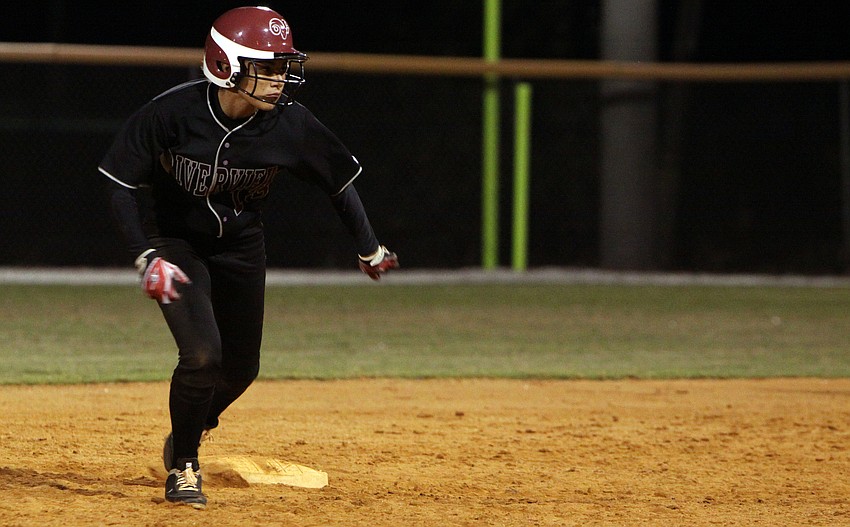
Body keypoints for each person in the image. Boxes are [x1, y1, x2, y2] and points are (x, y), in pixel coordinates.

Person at [99, 6, 398, 509]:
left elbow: (339, 184)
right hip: (177, 244)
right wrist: (145, 256)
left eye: (284, 67)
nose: (281, 78)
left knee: (241, 367)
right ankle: (186, 466)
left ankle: (188, 428)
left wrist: (369, 246)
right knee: (201, 355)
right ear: (226, 65)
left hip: (241, 246)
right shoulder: (171, 113)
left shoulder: (291, 125)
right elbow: (119, 185)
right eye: (268, 67)